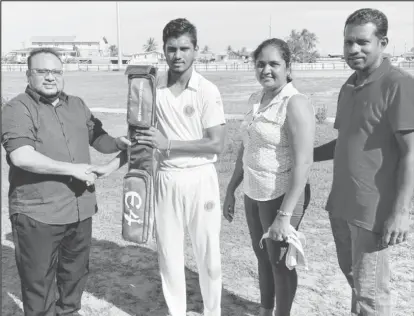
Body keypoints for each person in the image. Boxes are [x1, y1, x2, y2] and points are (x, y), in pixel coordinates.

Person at [92, 18, 226, 316]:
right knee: (168, 254)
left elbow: (217, 144)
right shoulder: (152, 90)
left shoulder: (206, 90)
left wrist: (168, 144)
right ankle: (176, 311)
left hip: (200, 177)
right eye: (172, 49)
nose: (178, 55)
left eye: (184, 48)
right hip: (165, 178)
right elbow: (140, 139)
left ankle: (212, 311)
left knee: (209, 255)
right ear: (163, 50)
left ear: (196, 50)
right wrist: (112, 164)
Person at [1, 47, 131, 316]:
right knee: (39, 286)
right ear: (28, 75)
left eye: (56, 71)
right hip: (38, 214)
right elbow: (21, 156)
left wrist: (117, 143)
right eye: (43, 71)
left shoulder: (77, 105)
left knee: (74, 278)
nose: (51, 77)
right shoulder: (17, 108)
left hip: (80, 210)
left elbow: (99, 139)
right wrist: (72, 169)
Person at [313, 8, 414, 316]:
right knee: (358, 283)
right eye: (347, 42)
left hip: (373, 211)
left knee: (370, 297)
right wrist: (304, 156)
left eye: (362, 42)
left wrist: (401, 212)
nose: (353, 49)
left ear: (382, 42)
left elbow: (411, 151)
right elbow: (346, 142)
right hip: (342, 205)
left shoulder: (399, 84)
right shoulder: (349, 85)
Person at [222, 38, 315, 316]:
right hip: (253, 190)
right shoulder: (256, 100)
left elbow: (304, 162)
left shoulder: (295, 103)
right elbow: (246, 147)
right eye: (260, 64)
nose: (266, 70)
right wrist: (231, 189)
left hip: (283, 194)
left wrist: (284, 215)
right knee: (262, 256)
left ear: (288, 67)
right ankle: (265, 309)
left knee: (280, 261)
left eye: (274, 64)